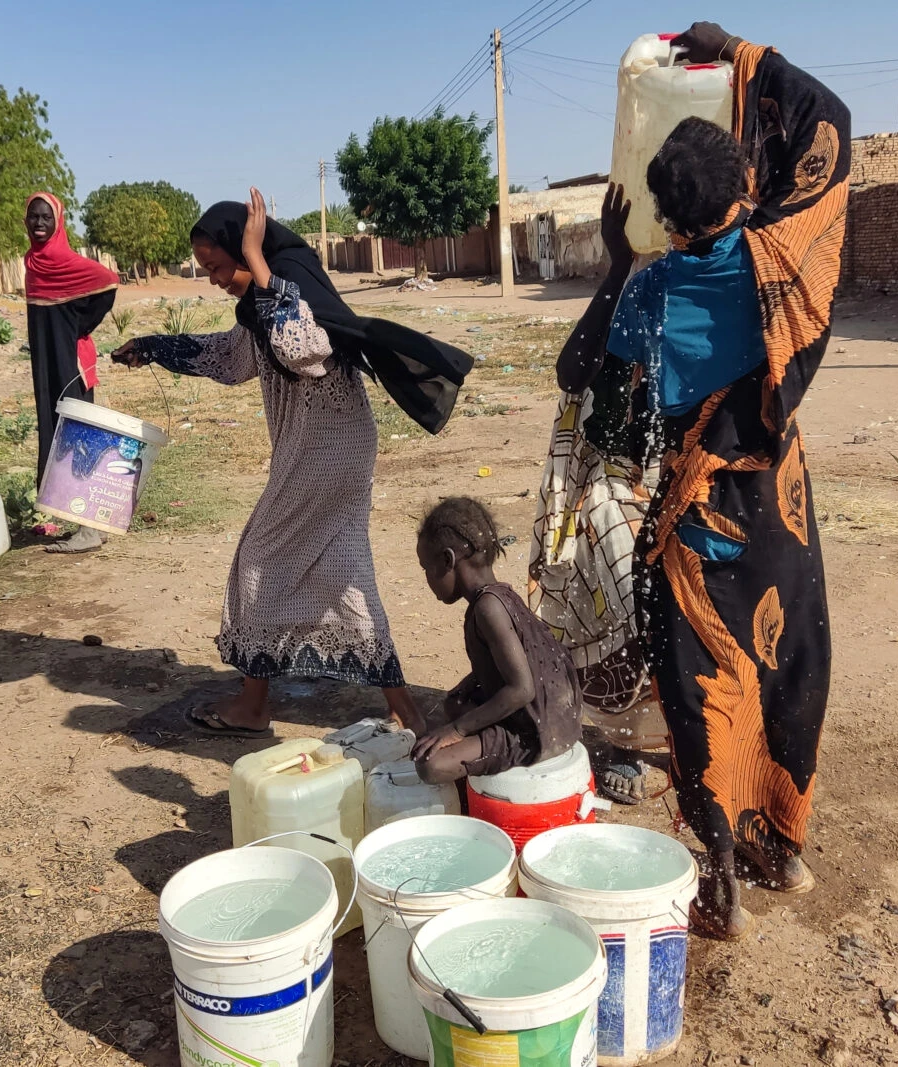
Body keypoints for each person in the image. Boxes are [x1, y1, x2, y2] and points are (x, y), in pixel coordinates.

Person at [554, 23, 849, 939]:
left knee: (699, 680)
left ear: (669, 222)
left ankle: (719, 859)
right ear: (746, 190)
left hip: (696, 513)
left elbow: (579, 377)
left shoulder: (652, 290)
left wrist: (613, 263)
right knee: (790, 659)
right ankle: (781, 845)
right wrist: (742, 52)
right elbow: (827, 124)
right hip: (778, 505)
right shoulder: (787, 261)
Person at [114, 189, 472, 738]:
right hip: (329, 449)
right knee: (344, 575)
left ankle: (254, 703)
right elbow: (232, 360)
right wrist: (157, 346)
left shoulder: (288, 283)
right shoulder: (261, 300)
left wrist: (258, 264)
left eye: (216, 265)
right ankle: (406, 709)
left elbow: (304, 351)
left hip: (326, 451)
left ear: (244, 246)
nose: (211, 278)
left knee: (259, 561)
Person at [412, 498, 581, 784]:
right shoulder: (499, 596)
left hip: (538, 732)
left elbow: (522, 689)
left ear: (447, 560)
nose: (428, 579)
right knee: (455, 703)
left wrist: (457, 731)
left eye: (426, 568)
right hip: (558, 716)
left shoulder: (488, 608)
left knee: (431, 765)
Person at [22, 192, 120, 554]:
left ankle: (88, 529)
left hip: (70, 364)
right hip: (46, 364)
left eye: (46, 217)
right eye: (33, 217)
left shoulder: (63, 259)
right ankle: (91, 522)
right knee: (56, 434)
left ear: (58, 220)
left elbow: (108, 280)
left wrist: (81, 326)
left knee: (76, 437)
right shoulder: (33, 262)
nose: (39, 224)